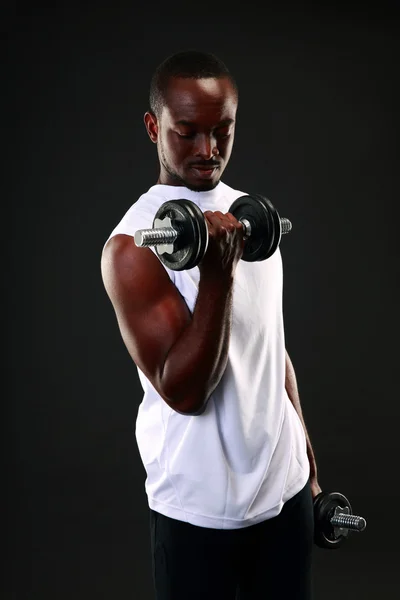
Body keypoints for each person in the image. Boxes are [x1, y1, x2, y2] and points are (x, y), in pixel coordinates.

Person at [101, 50, 321, 600]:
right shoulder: (132, 248)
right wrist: (218, 275)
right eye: (188, 132)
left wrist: (310, 473)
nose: (208, 150)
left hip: (284, 496)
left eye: (222, 130)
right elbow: (185, 391)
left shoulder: (251, 215)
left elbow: (272, 350)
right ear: (154, 127)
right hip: (199, 514)